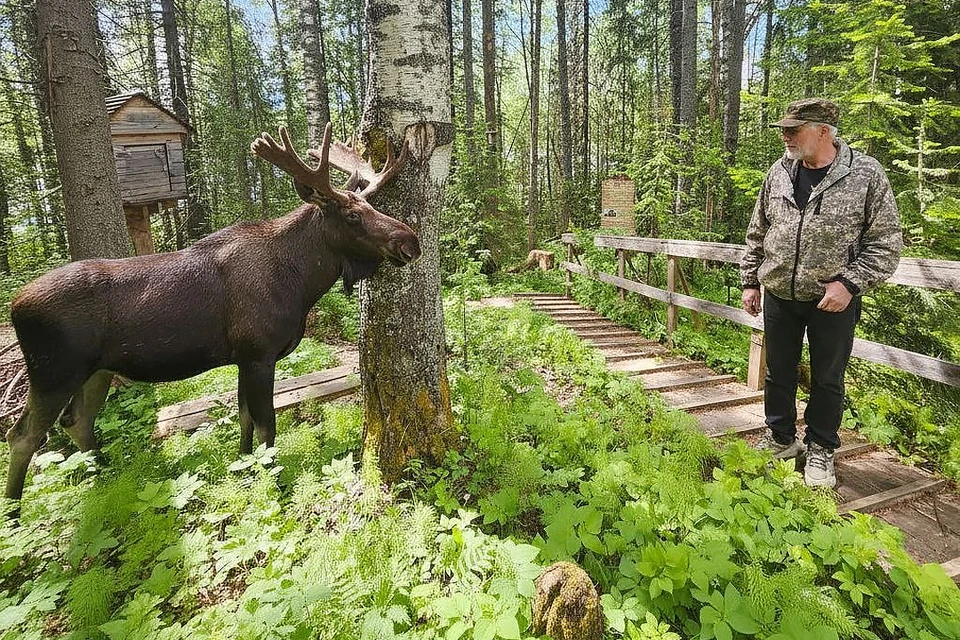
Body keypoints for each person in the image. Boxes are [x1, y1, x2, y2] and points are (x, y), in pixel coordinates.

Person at [740, 98, 902, 488]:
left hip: (833, 299)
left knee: (828, 377)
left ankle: (820, 449)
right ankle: (781, 439)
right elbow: (758, 230)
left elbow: (886, 243)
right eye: (784, 128)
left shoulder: (864, 173)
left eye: (793, 130)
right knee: (778, 371)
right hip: (779, 291)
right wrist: (750, 280)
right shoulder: (778, 172)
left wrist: (849, 284)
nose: (785, 135)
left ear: (823, 132)